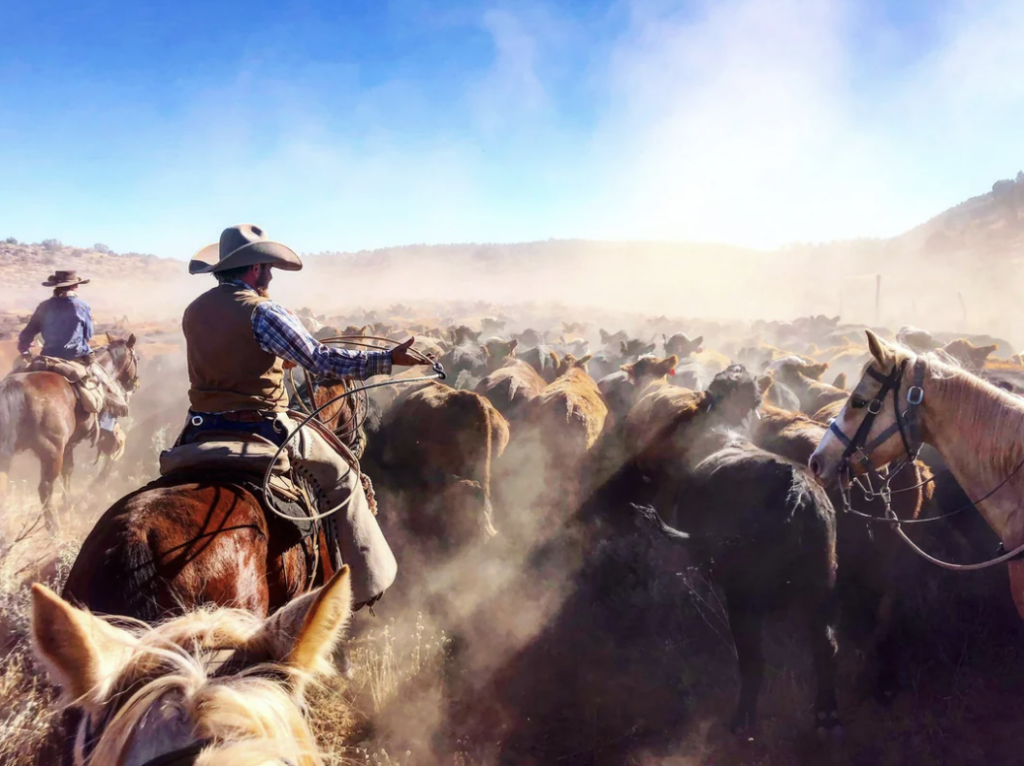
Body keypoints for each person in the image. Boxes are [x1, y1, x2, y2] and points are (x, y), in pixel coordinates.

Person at [180, 224, 419, 608]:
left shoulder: (194, 311)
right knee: (344, 477)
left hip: (200, 428)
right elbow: (321, 359)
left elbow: (230, 356)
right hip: (262, 425)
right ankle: (366, 584)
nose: (272, 275)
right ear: (254, 269)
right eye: (268, 268)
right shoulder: (263, 311)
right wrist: (387, 359)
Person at [18, 270, 94, 360]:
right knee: (97, 372)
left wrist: (25, 349)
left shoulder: (44, 306)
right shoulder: (82, 306)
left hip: (49, 355)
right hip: (76, 354)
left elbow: (28, 333)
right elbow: (88, 334)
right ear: (75, 286)